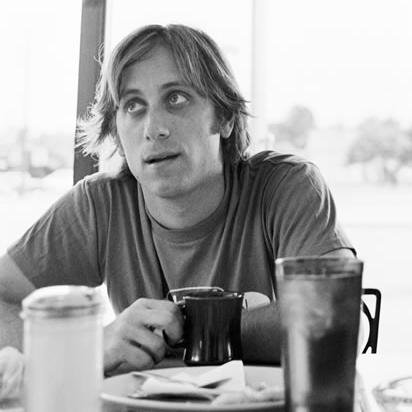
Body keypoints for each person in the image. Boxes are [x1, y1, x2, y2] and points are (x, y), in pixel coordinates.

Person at [0, 24, 355, 376]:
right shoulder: (99, 205)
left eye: (176, 98)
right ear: (118, 135)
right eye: (133, 105)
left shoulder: (285, 185)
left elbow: (338, 320)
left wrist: (194, 327)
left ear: (225, 117)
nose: (154, 128)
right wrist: (88, 346)